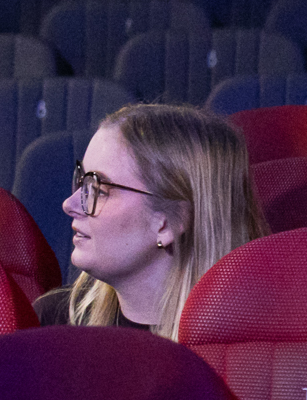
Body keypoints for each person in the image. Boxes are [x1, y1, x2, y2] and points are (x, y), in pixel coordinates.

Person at [33, 103, 267, 335]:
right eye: (82, 181)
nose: (69, 204)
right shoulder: (53, 322)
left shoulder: (249, 345)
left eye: (100, 190)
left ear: (168, 224)